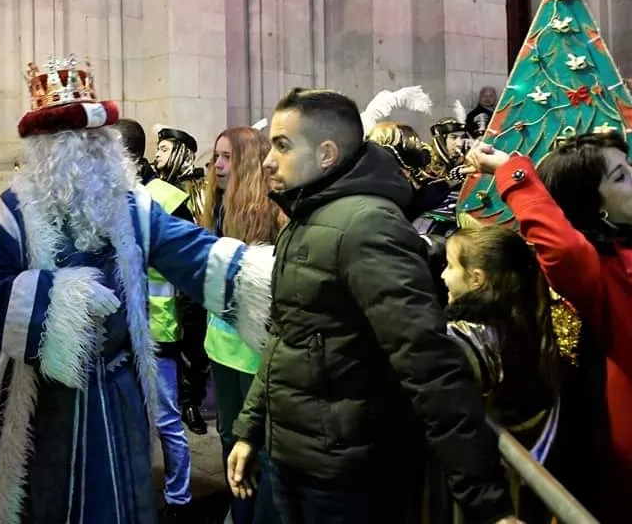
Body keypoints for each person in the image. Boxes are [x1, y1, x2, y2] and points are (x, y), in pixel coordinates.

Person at [0, 56, 277, 524]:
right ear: (46, 147)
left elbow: (189, 251)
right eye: (70, 139)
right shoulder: (13, 213)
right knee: (50, 499)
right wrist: (61, 300)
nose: (85, 150)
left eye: (94, 137)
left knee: (122, 497)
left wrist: (264, 276)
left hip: (119, 387)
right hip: (47, 398)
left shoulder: (131, 205)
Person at [227, 88, 519, 524]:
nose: (268, 160)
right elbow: (287, 338)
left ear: (326, 154)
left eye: (282, 146)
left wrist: (486, 503)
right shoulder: (305, 219)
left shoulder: (366, 226)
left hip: (347, 476)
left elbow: (427, 363)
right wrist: (250, 430)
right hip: (294, 459)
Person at [466, 134, 632, 522]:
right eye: (621, 177)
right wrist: (512, 171)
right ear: (595, 208)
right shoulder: (599, 269)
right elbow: (562, 248)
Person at [442, 227, 560, 522]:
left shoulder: (464, 337)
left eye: (450, 265)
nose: (443, 275)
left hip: (493, 478)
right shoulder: (528, 320)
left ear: (476, 279)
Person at [199, 126, 284, 524]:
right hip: (221, 344)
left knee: (258, 444)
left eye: (226, 157)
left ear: (247, 162)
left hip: (256, 349)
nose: (216, 165)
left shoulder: (272, 210)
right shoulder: (216, 207)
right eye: (215, 156)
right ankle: (239, 511)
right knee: (230, 437)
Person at [116, 118, 194, 521]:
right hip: (128, 327)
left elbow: (188, 266)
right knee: (138, 418)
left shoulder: (162, 199)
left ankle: (179, 499)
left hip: (158, 328)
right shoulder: (136, 193)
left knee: (165, 420)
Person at [152, 124, 211, 433]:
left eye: (164, 149)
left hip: (192, 278)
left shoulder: (197, 187)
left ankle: (191, 402)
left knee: (193, 343)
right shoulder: (154, 186)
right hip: (163, 285)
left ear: (181, 152)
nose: (157, 155)